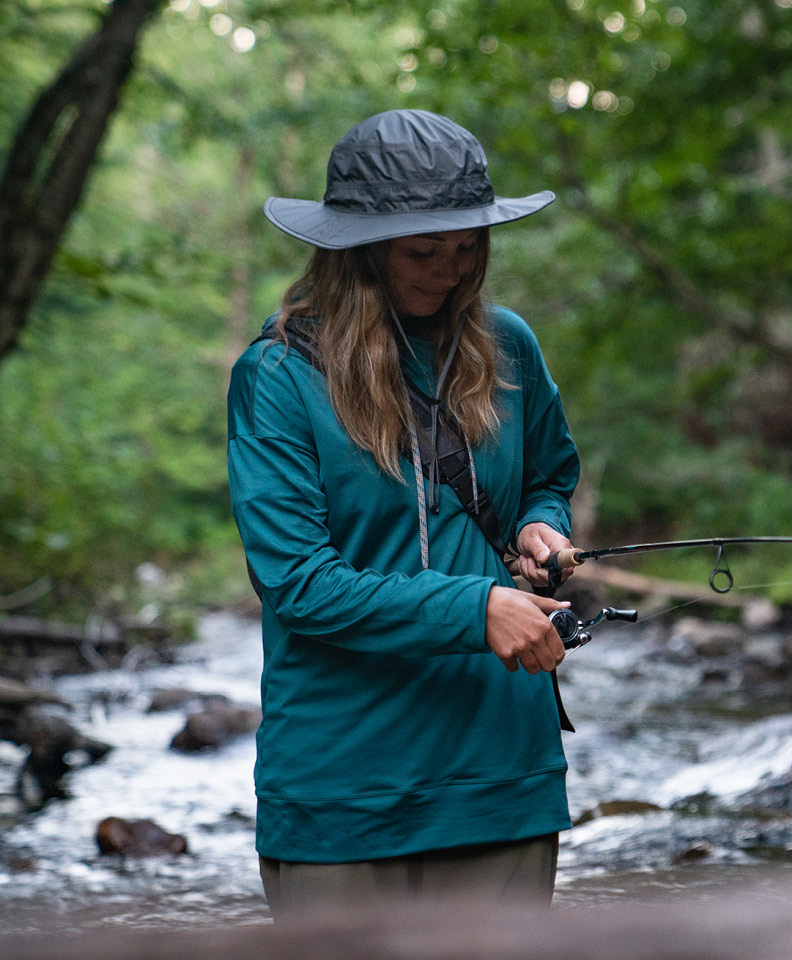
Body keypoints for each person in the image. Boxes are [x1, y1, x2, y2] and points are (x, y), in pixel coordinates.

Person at [226, 109, 579, 920]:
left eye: (467, 248)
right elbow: (298, 584)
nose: (451, 270)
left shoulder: (509, 346)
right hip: (346, 786)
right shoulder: (278, 376)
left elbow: (550, 474)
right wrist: (477, 606)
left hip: (502, 772)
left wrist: (538, 528)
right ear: (357, 247)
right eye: (425, 250)